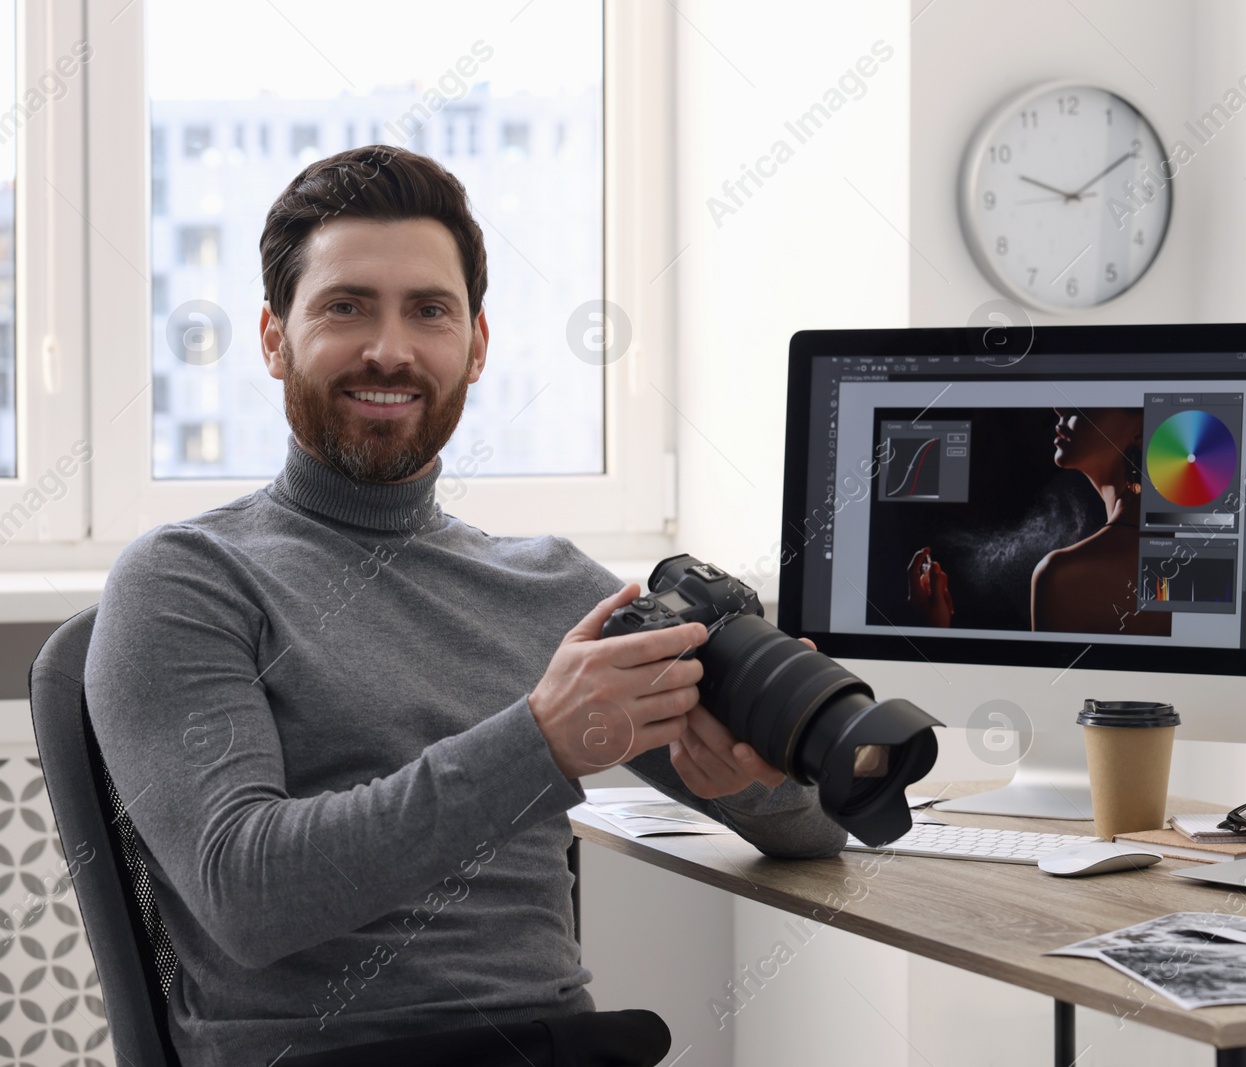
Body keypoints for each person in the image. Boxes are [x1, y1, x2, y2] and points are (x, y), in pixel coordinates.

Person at [83, 146, 843, 1067]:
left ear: (476, 346)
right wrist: (542, 741)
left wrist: (755, 779)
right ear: (275, 337)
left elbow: (815, 832)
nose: (390, 349)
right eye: (345, 306)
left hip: (561, 1046)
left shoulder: (555, 588)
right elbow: (248, 893)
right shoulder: (186, 577)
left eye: (429, 311)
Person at [907, 406, 1169, 635]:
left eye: (1089, 395)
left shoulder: (1061, 575)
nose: (1058, 407)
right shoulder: (1187, 549)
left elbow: (1045, 691)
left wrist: (931, 635)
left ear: (1141, 427)